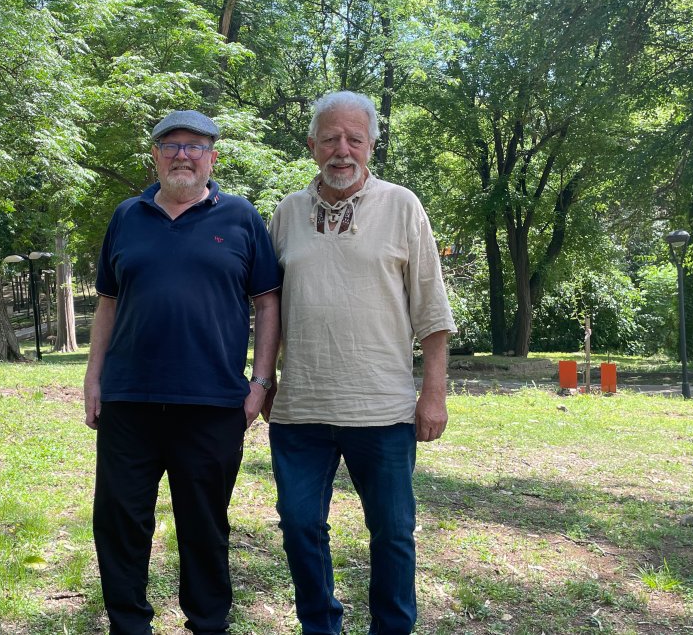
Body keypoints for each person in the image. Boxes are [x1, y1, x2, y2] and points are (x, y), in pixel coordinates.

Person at [84, 109, 281, 635]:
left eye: (195, 146)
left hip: (212, 403)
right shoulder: (127, 216)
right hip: (129, 400)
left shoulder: (241, 217)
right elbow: (107, 301)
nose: (182, 155)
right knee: (120, 524)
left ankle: (208, 623)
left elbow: (267, 302)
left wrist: (260, 382)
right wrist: (92, 378)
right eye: (170, 146)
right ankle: (129, 626)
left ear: (212, 157)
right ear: (155, 156)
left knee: (205, 527)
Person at [265, 91, 456, 635]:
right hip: (301, 410)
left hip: (384, 409)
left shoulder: (402, 205)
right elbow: (267, 305)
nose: (341, 150)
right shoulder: (286, 213)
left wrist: (434, 394)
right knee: (301, 527)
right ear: (311, 146)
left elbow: (432, 312)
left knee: (393, 532)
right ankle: (320, 626)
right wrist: (264, 377)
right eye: (330, 138)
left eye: (354, 139)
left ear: (372, 144)